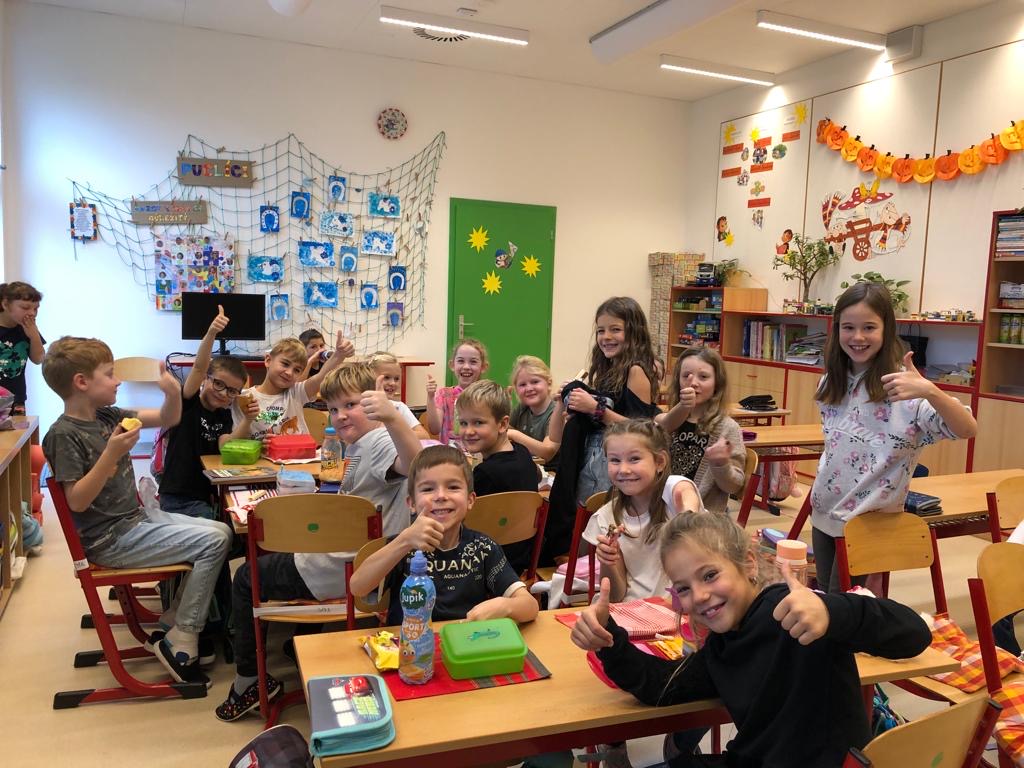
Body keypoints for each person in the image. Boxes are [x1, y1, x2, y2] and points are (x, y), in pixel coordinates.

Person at [571, 511, 932, 768]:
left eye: (709, 575)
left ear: (748, 564)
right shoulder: (723, 644)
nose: (699, 596)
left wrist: (833, 611)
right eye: (683, 588)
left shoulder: (789, 612)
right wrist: (608, 640)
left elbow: (914, 634)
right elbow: (664, 687)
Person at [216, 363, 423, 722]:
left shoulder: (379, 443)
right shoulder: (360, 444)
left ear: (373, 405)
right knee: (280, 550)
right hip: (349, 563)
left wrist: (392, 417)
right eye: (333, 408)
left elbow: (416, 464)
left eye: (351, 405)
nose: (340, 416)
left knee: (247, 576)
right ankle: (299, 641)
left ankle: (248, 680)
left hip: (343, 569)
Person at [41, 337, 232, 687]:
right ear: (81, 382)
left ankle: (173, 620)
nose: (118, 381)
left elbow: (168, 417)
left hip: (134, 521)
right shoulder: (63, 434)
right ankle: (183, 637)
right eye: (109, 374)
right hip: (109, 540)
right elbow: (77, 501)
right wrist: (111, 455)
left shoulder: (108, 415)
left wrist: (172, 394)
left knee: (220, 530)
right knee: (214, 542)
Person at [811, 282, 977, 593]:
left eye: (869, 327)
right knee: (824, 596)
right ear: (837, 330)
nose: (858, 337)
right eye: (848, 327)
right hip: (823, 509)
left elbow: (967, 429)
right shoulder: (831, 382)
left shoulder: (905, 389)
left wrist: (930, 390)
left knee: (841, 603)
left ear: (887, 329)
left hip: (868, 521)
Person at [349, 444, 539, 627]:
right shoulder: (403, 546)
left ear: (470, 500)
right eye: (428, 489)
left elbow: (530, 606)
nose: (440, 496)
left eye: (453, 487)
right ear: (412, 503)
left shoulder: (483, 548)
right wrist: (404, 541)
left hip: (465, 640)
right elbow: (358, 587)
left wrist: (506, 605)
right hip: (412, 643)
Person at [544, 296, 659, 562]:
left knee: (603, 527)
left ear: (634, 332)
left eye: (615, 329)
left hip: (614, 464)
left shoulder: (636, 371)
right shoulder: (608, 369)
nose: (606, 337)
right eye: (600, 330)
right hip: (594, 460)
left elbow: (642, 431)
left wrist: (595, 409)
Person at [584, 419, 704, 603]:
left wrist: (688, 517)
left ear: (660, 462)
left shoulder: (673, 491)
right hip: (632, 609)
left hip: (682, 607)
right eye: (615, 460)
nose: (623, 469)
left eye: (634, 459)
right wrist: (608, 561)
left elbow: (684, 494)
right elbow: (615, 596)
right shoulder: (605, 516)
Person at [158, 304, 253, 520]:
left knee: (238, 523)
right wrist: (212, 333)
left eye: (232, 391)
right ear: (205, 379)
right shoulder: (188, 402)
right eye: (218, 384)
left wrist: (248, 420)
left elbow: (225, 445)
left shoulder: (224, 415)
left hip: (206, 496)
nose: (223, 393)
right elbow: (199, 367)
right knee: (221, 531)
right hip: (178, 497)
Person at [456, 380, 542, 573]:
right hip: (521, 560)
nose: (468, 431)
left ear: (503, 424)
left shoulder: (486, 473)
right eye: (463, 423)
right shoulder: (522, 452)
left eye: (478, 423)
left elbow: (465, 523)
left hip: (487, 566)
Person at [655, 348, 745, 515]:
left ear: (717, 383)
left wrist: (721, 464)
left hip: (701, 518)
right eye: (686, 376)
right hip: (660, 511)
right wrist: (682, 407)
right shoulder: (668, 419)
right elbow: (657, 432)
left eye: (703, 377)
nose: (693, 383)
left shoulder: (728, 427)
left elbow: (734, 486)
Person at [231, 333, 354, 443]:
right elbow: (236, 442)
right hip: (262, 460)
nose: (289, 373)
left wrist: (339, 355)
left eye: (297, 370)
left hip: (299, 458)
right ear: (268, 360)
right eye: (285, 364)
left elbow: (321, 376)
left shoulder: (296, 393)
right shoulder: (243, 398)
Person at [424, 338, 488, 447]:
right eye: (461, 361)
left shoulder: (487, 396)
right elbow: (434, 429)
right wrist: (430, 397)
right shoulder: (444, 395)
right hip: (450, 454)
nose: (466, 367)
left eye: (473, 362)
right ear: (452, 365)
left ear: (483, 367)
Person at [507, 355, 559, 468]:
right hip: (527, 469)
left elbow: (548, 452)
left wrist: (514, 434)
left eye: (535, 382)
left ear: (549, 383)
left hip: (551, 473)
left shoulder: (556, 412)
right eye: (522, 385)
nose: (529, 388)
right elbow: (504, 431)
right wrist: (503, 411)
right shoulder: (522, 408)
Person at [0, 281, 45, 414]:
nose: (32, 313)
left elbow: (38, 359)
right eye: (25, 308)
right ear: (5, 304)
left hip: (17, 398)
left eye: (36, 309)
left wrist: (34, 335)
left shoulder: (28, 329)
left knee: (17, 427)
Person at [368, 350, 429, 439]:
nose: (393, 383)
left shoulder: (399, 407)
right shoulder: (361, 408)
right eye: (386, 377)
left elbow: (424, 436)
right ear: (369, 377)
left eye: (396, 379)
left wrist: (394, 432)